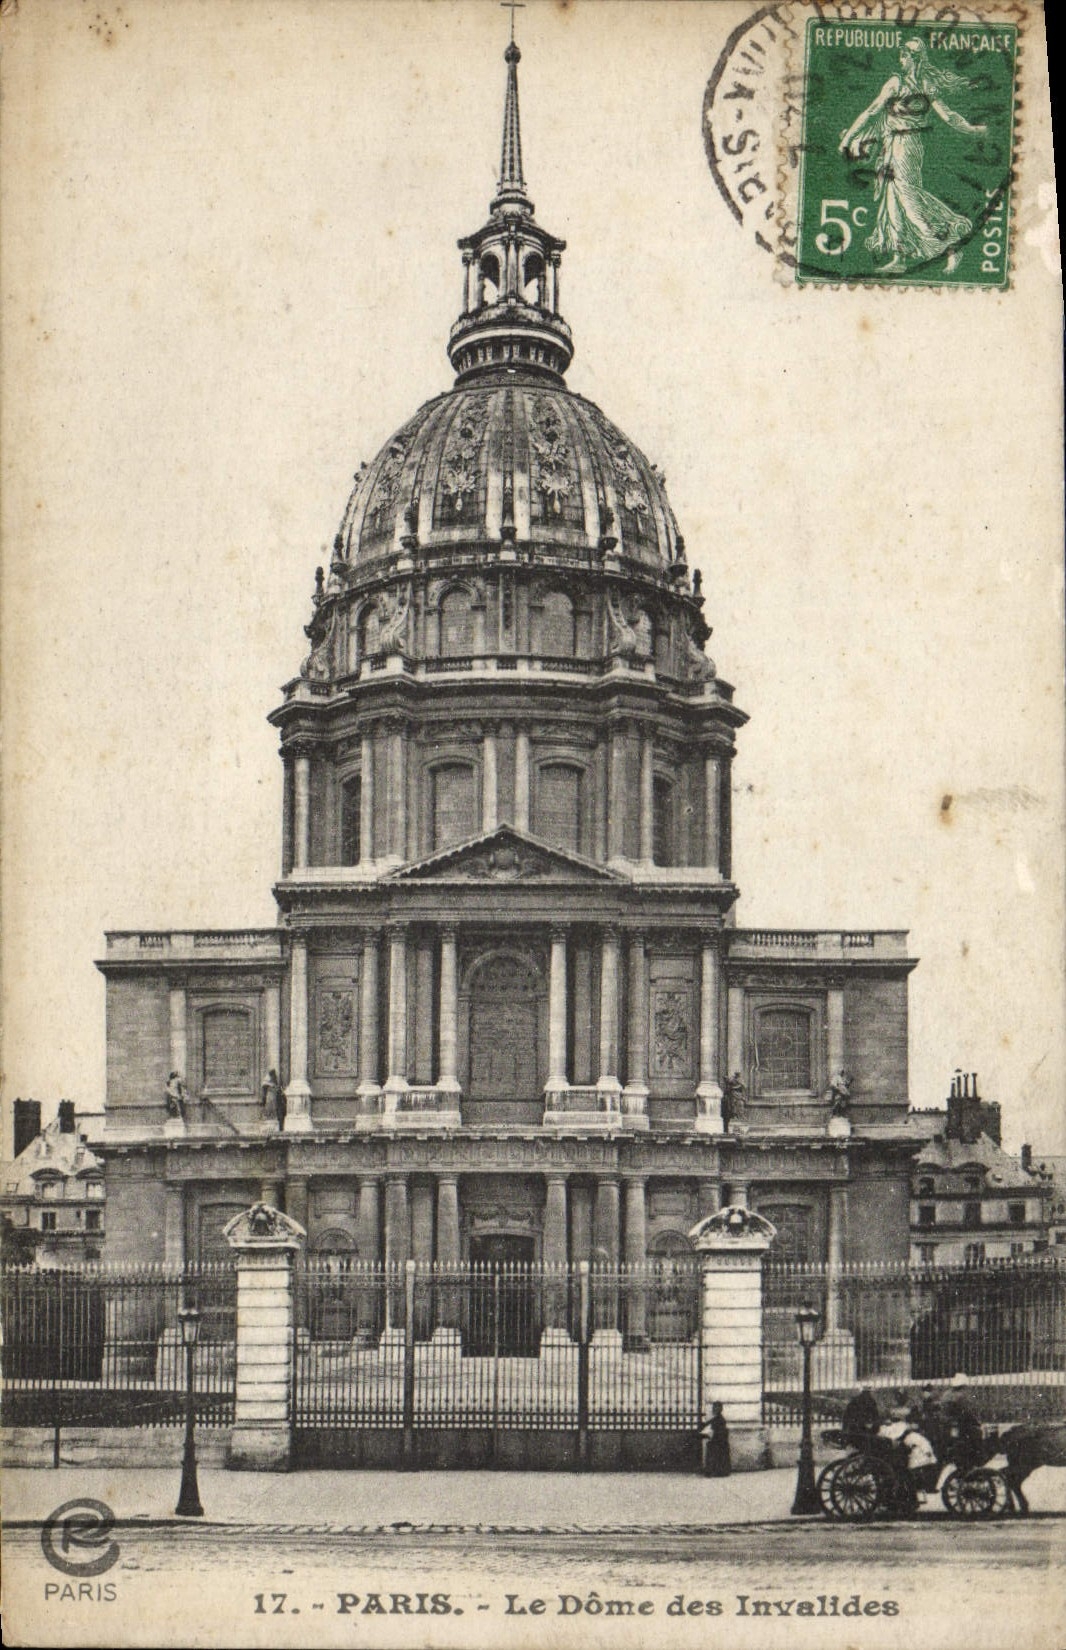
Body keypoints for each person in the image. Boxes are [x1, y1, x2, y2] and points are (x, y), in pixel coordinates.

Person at [838, 37, 986, 274]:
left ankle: (948, 244)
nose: (900, 59)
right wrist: (848, 138)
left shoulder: (921, 84)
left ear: (912, 58)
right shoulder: (898, 82)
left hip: (907, 146)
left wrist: (972, 129)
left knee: (908, 199)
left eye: (903, 55)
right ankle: (900, 257)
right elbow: (872, 112)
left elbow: (947, 116)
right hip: (891, 145)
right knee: (892, 200)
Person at [878, 1392, 938, 1511]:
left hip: (904, 1449)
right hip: (908, 1452)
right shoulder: (906, 1423)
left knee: (904, 1474)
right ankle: (907, 1501)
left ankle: (899, 1500)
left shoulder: (891, 1420)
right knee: (906, 1475)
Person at [942, 1372, 984, 1471]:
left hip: (947, 1426)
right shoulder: (961, 1396)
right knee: (977, 1435)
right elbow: (967, 1412)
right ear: (964, 1385)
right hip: (960, 1426)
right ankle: (975, 1463)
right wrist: (977, 1423)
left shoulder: (946, 1394)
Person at [703, 1402, 731, 1477]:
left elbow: (719, 1432)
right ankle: (717, 1471)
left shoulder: (719, 1419)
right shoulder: (717, 1418)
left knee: (712, 1448)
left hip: (719, 1442)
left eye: (715, 1408)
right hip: (719, 1441)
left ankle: (714, 1471)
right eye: (714, 1407)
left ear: (720, 1409)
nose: (714, 1409)